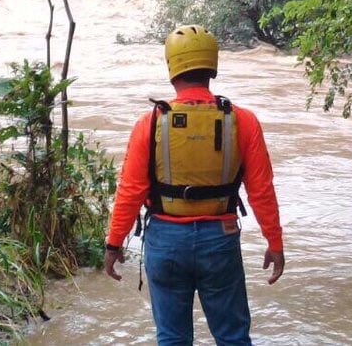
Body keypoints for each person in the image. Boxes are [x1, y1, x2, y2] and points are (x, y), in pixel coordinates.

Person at [103, 24, 285, 345]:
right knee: (232, 337)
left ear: (172, 68)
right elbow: (261, 190)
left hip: (165, 241)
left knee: (172, 338)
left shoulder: (150, 123)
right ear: (211, 67)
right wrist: (275, 243)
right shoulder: (243, 121)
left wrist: (113, 244)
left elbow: (130, 191)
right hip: (221, 240)